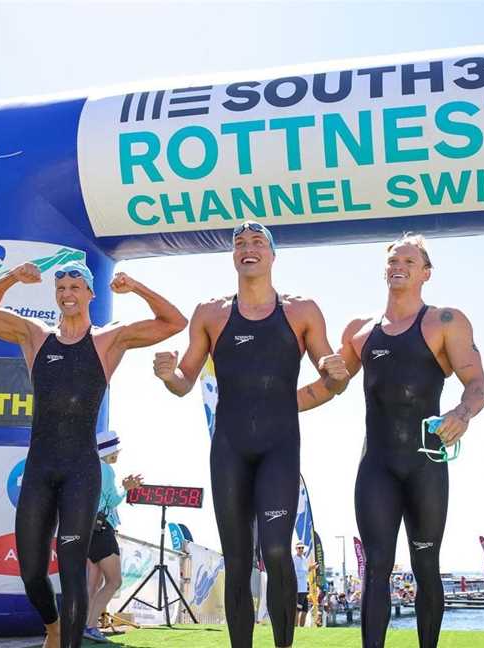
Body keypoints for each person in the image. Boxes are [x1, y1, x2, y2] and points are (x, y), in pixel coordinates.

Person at [0, 261, 186, 648]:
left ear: (90, 294)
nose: (67, 293)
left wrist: (135, 286)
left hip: (81, 471)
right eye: (60, 287)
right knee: (32, 571)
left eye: (75, 286)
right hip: (40, 467)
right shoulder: (35, 336)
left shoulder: (108, 340)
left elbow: (174, 321)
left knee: (71, 570)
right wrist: (13, 278)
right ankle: (52, 625)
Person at [153, 221, 349, 648]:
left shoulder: (302, 311)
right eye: (239, 243)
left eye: (258, 242)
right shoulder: (210, 312)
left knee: (277, 552)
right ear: (233, 256)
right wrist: (170, 376)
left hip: (280, 446)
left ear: (273, 254)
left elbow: (331, 377)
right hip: (230, 448)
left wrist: (339, 377)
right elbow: (185, 380)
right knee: (238, 560)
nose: (248, 248)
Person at [297, 233, 484, 648]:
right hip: (377, 465)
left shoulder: (446, 321)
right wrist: (275, 404)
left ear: (425, 272)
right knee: (376, 566)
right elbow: (330, 386)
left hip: (425, 462)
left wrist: (461, 413)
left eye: (408, 259)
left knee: (425, 563)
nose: (398, 264)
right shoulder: (359, 332)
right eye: (392, 259)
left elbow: (476, 383)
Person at [83, 430, 143, 644]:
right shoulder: (106, 470)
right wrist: (127, 488)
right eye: (116, 450)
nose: (118, 453)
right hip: (102, 531)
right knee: (114, 581)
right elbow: (113, 499)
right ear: (110, 451)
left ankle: (85, 624)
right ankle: (90, 626)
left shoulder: (89, 468)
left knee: (94, 581)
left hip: (88, 530)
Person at [293, 542, 312, 628]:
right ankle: (296, 628)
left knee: (305, 610)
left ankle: (301, 629)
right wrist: (308, 569)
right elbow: (295, 574)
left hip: (304, 589)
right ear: (296, 549)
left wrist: (309, 569)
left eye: (302, 548)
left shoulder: (304, 558)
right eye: (299, 548)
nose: (301, 549)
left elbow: (305, 573)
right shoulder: (294, 559)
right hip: (298, 589)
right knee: (297, 610)